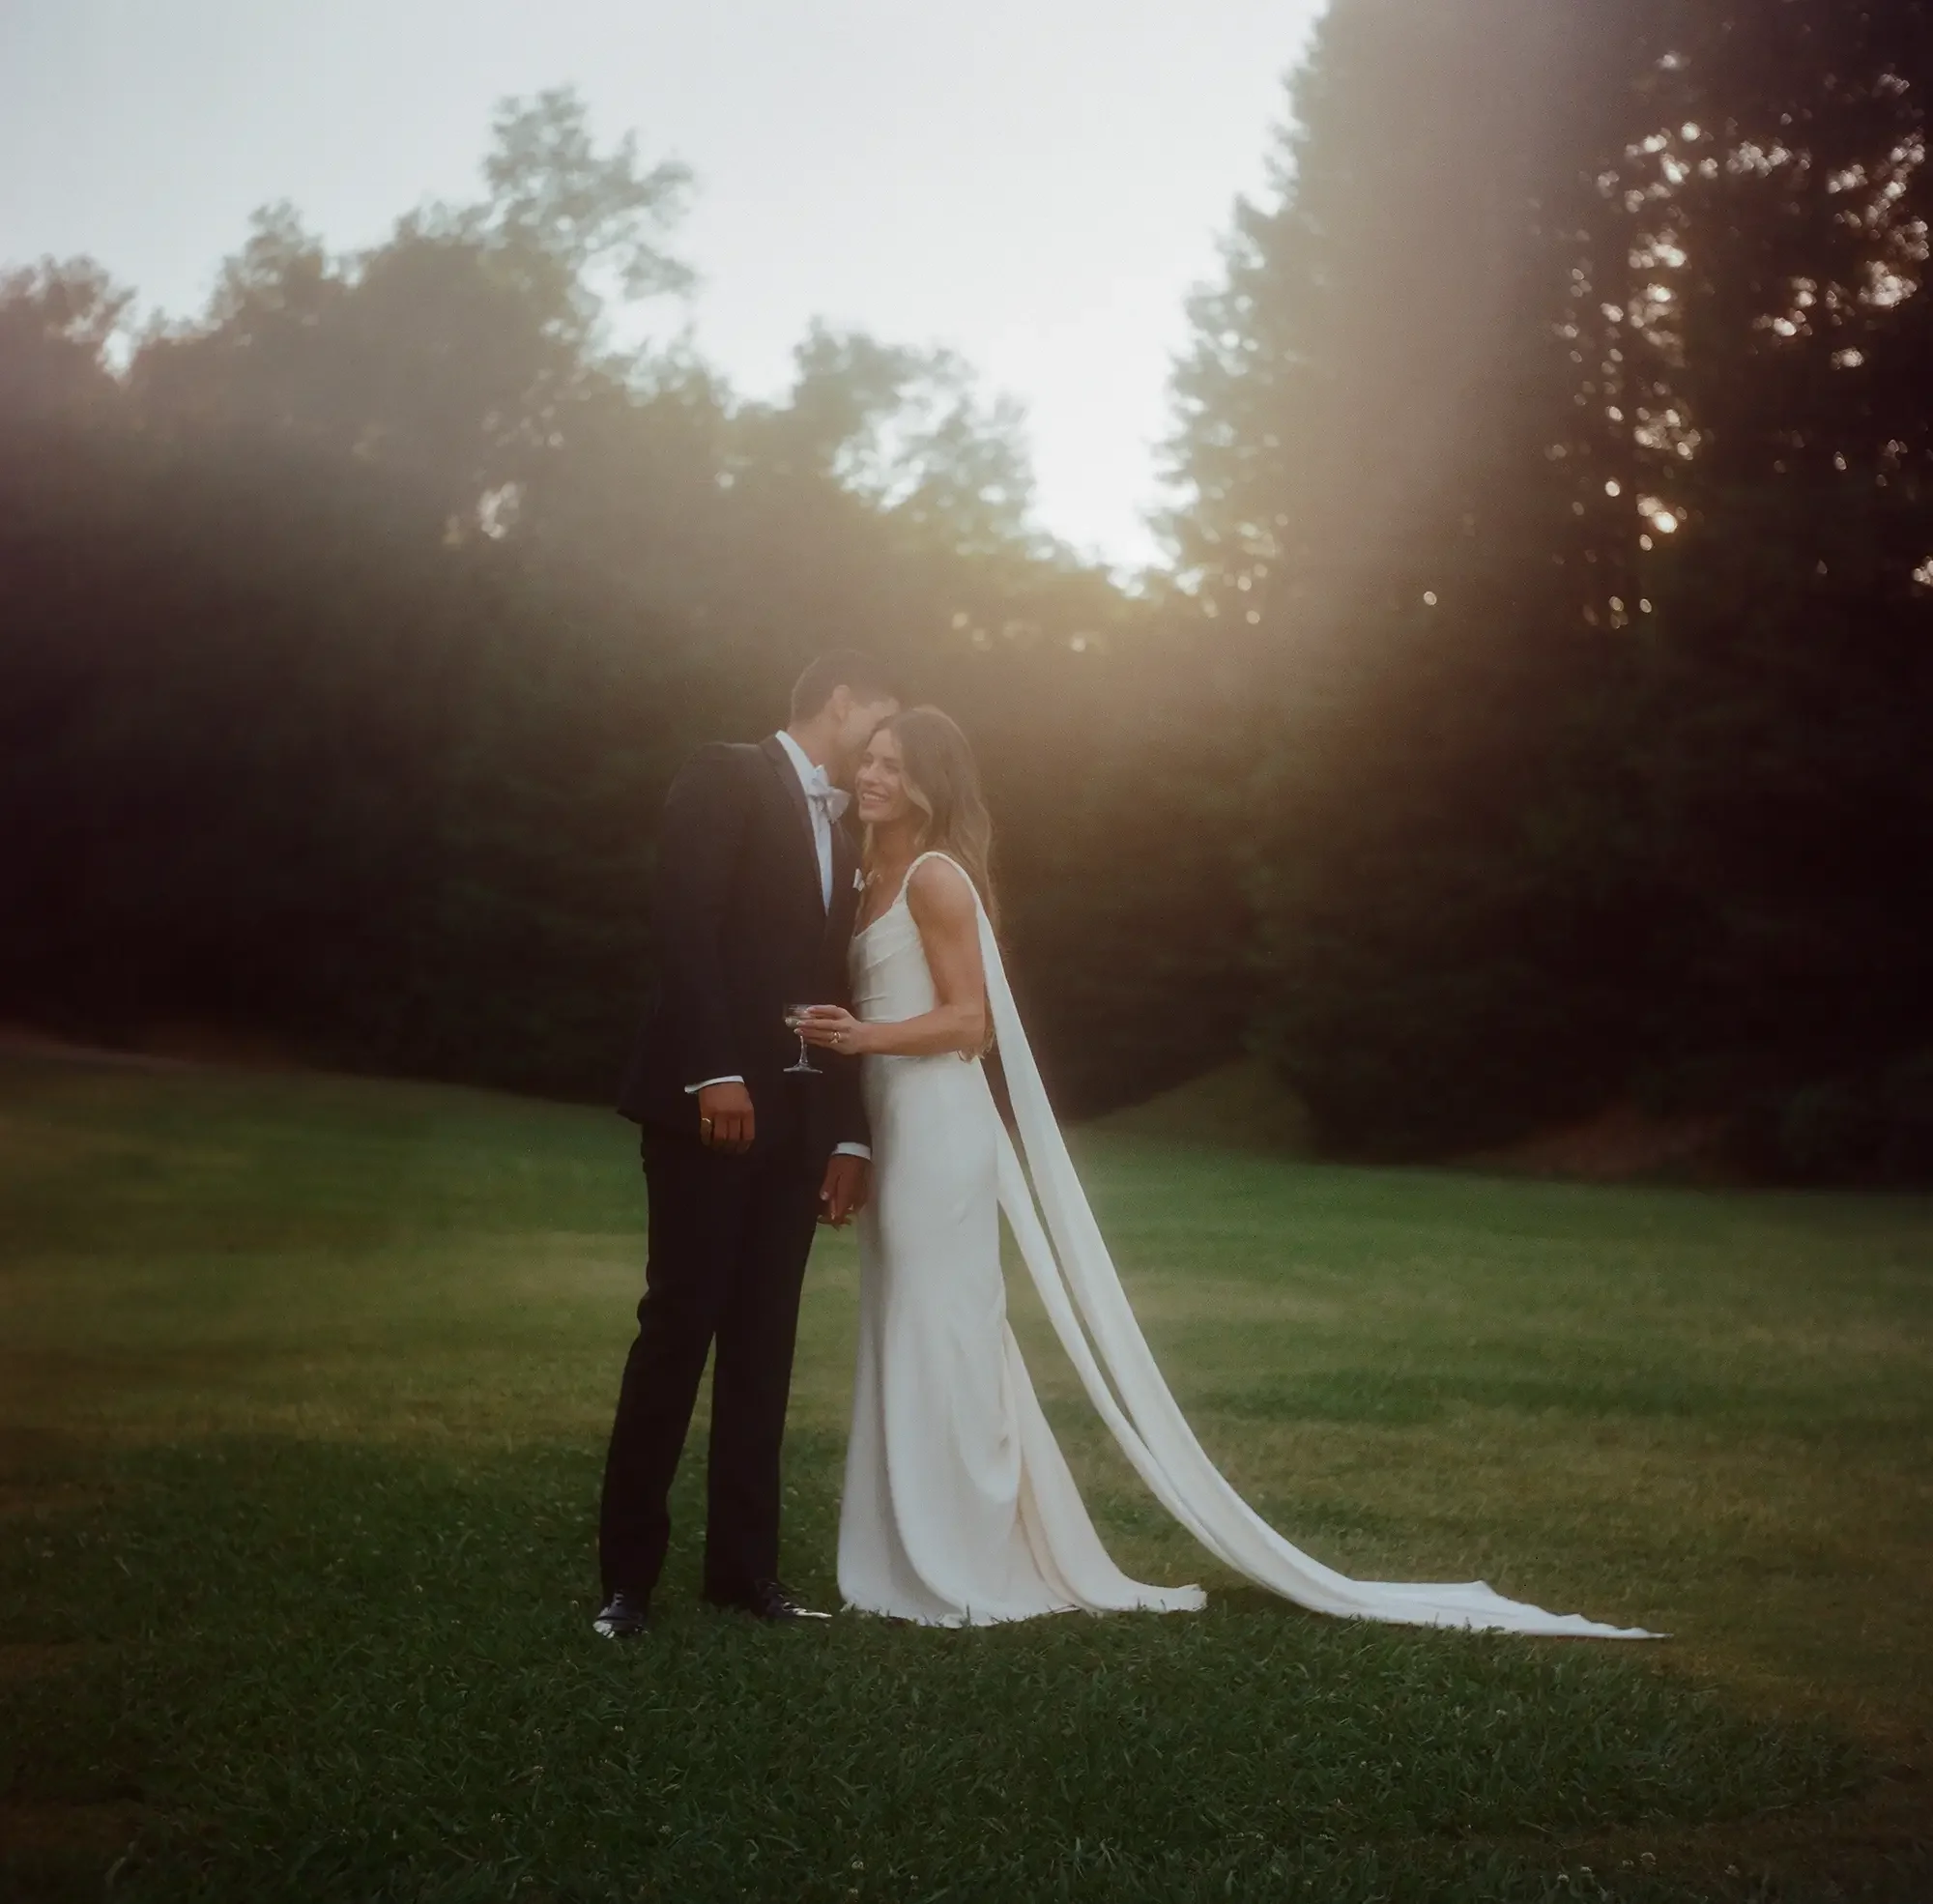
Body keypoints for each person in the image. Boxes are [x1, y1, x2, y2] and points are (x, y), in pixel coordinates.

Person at [800, 707, 1655, 1637]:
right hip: (894, 1123)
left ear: (929, 783)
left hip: (939, 1130)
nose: (873, 776)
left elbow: (973, 1025)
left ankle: (959, 1554)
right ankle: (910, 1547)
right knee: (908, 1327)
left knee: (947, 1332)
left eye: (892, 765)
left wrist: (864, 1036)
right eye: (871, 761)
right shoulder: (864, 871)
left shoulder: (934, 878)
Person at [594, 652, 900, 1638]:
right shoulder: (723, 773)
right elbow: (683, 927)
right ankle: (626, 1581)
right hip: (707, 1106)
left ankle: (742, 1575)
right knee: (676, 1331)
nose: (881, 751)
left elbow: (842, 989)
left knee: (763, 1346)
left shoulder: (850, 826)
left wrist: (846, 1132)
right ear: (840, 701)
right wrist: (710, 1072)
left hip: (798, 1125)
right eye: (878, 723)